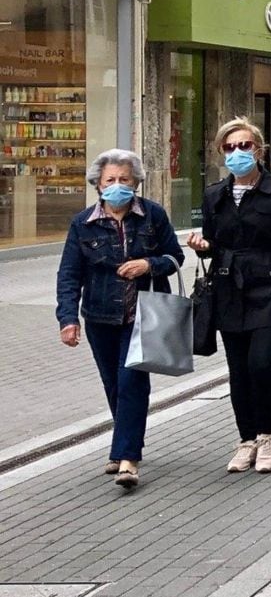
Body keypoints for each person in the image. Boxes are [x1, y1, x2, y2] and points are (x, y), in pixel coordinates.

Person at [187, 117, 271, 474]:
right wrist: (202, 246)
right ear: (220, 153)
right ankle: (246, 440)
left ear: (258, 150)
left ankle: (267, 436)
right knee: (238, 372)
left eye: (244, 146)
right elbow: (213, 245)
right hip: (229, 291)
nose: (237, 153)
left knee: (261, 365)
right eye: (229, 147)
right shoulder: (215, 194)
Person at [56, 149, 185, 488]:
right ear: (98, 185)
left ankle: (128, 458)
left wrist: (149, 264)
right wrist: (68, 319)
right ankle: (123, 443)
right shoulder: (83, 224)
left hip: (144, 314)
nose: (117, 186)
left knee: (131, 382)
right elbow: (69, 275)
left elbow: (176, 256)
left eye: (124, 180)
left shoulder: (152, 216)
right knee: (113, 384)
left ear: (136, 183)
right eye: (110, 180)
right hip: (99, 316)